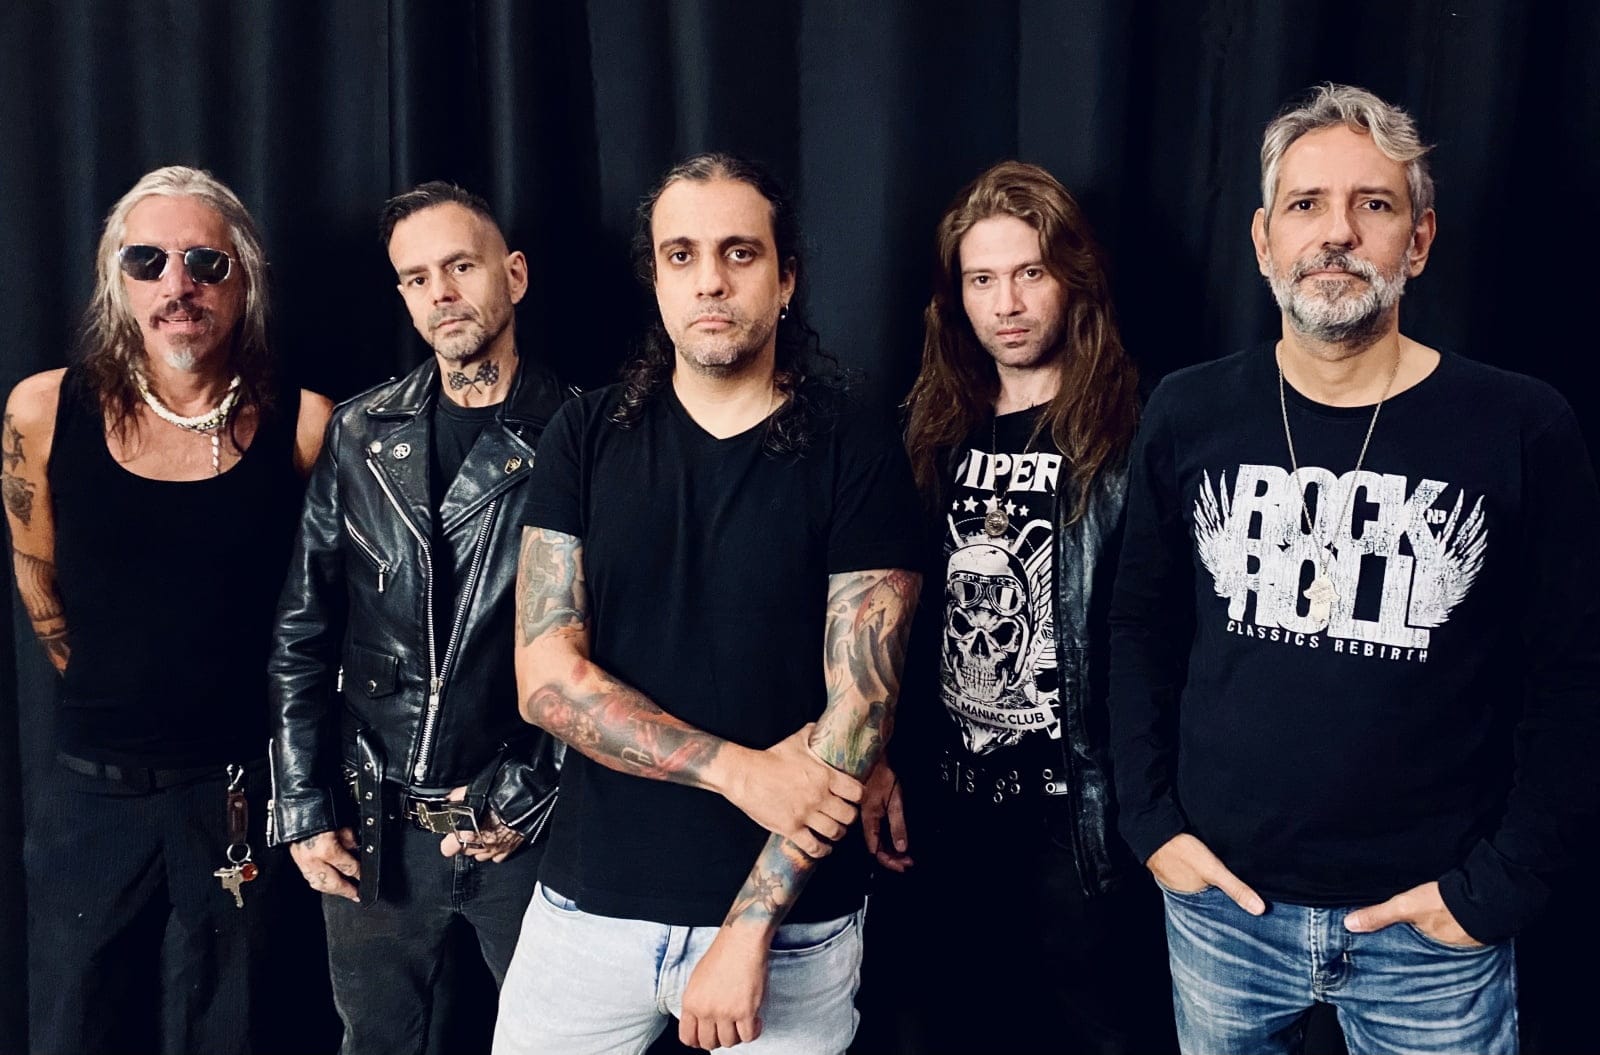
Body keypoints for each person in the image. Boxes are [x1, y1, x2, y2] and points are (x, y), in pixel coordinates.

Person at [1107, 82, 1600, 1055]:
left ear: (1418, 241)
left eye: (1372, 203)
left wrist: (1498, 887)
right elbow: (1137, 628)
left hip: (1432, 930)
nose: (1336, 231)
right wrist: (1152, 827)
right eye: (1305, 204)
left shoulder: (1520, 425)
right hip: (1222, 913)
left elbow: (1575, 676)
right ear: (1263, 241)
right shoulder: (1188, 410)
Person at [491, 153, 922, 1054]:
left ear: (786, 277)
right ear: (656, 279)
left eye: (740, 252)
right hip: (590, 906)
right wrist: (739, 771)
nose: (711, 281)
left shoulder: (856, 445)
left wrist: (748, 929)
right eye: (680, 255)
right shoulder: (585, 434)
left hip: (791, 925)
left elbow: (860, 714)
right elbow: (546, 680)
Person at [2, 165, 333, 1054]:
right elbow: (37, 580)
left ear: (243, 278)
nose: (175, 285)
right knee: (75, 1023)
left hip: (239, 794)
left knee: (234, 1028)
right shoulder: (43, 409)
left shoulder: (306, 425)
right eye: (146, 260)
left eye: (204, 263)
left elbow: (329, 618)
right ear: (117, 279)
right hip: (92, 795)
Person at [861, 160, 1173, 1054]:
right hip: (951, 816)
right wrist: (884, 760)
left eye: (1030, 272)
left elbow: (1159, 636)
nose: (1006, 303)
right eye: (982, 279)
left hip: (1083, 826)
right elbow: (900, 623)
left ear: (1072, 276)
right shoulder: (931, 429)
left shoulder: (1134, 431)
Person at [269, 181, 569, 1053]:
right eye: (415, 277)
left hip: (520, 826)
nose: (440, 292)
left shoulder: (583, 432)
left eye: (460, 266)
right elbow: (301, 632)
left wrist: (537, 784)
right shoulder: (360, 432)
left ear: (514, 275)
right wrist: (302, 801)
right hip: (375, 826)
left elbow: (627, 641)